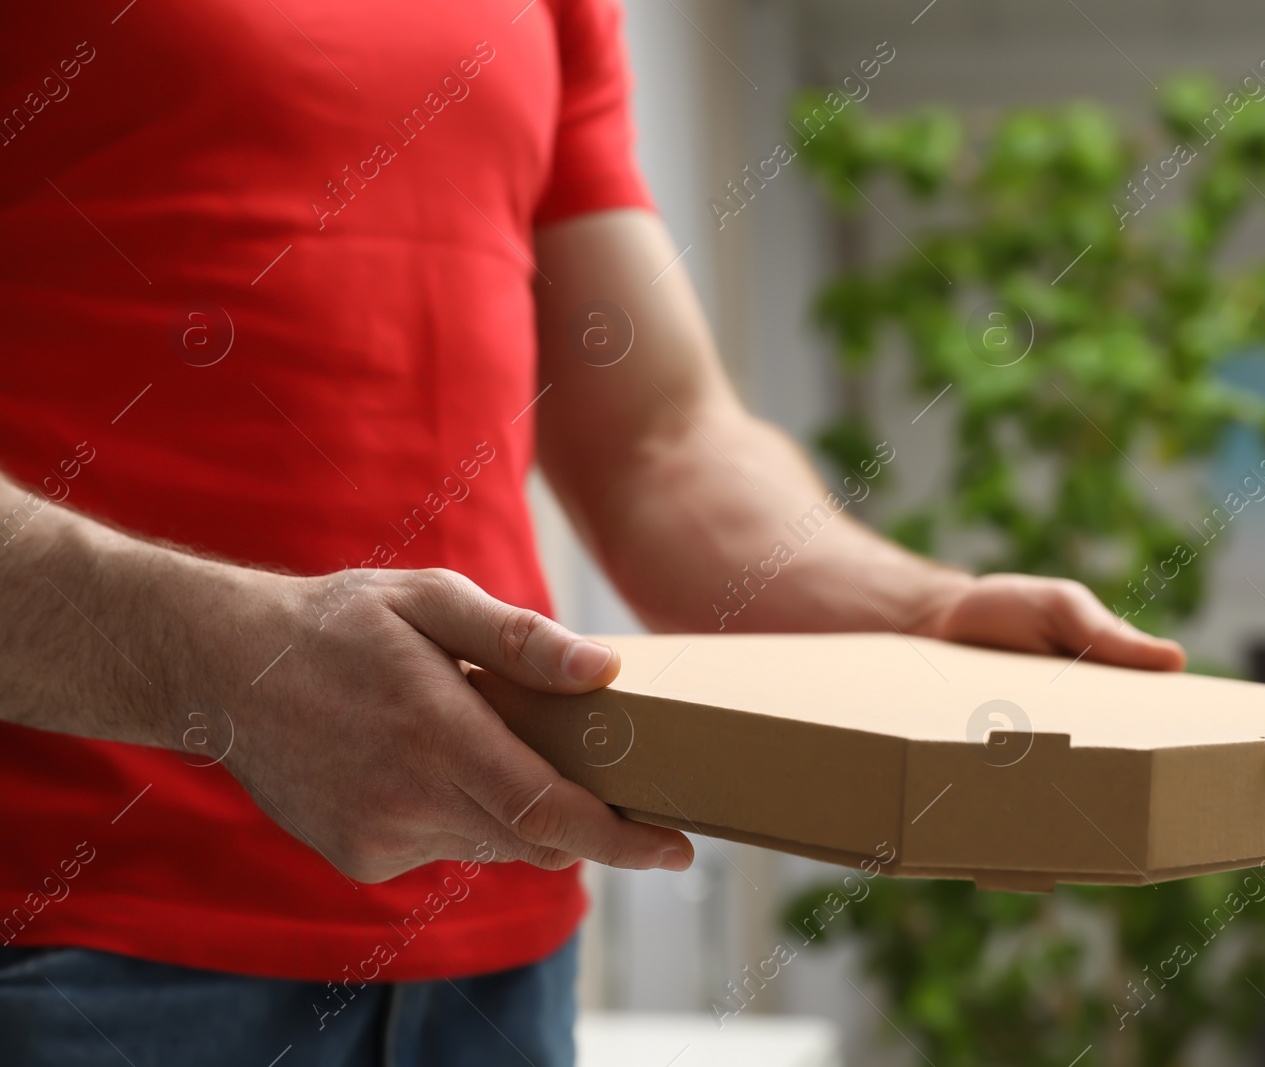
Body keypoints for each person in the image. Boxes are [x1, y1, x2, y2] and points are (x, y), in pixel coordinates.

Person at [0, 1, 1184, 1063]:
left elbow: (658, 446)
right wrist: (226, 671)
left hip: (498, 955)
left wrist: (916, 614)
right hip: (73, 942)